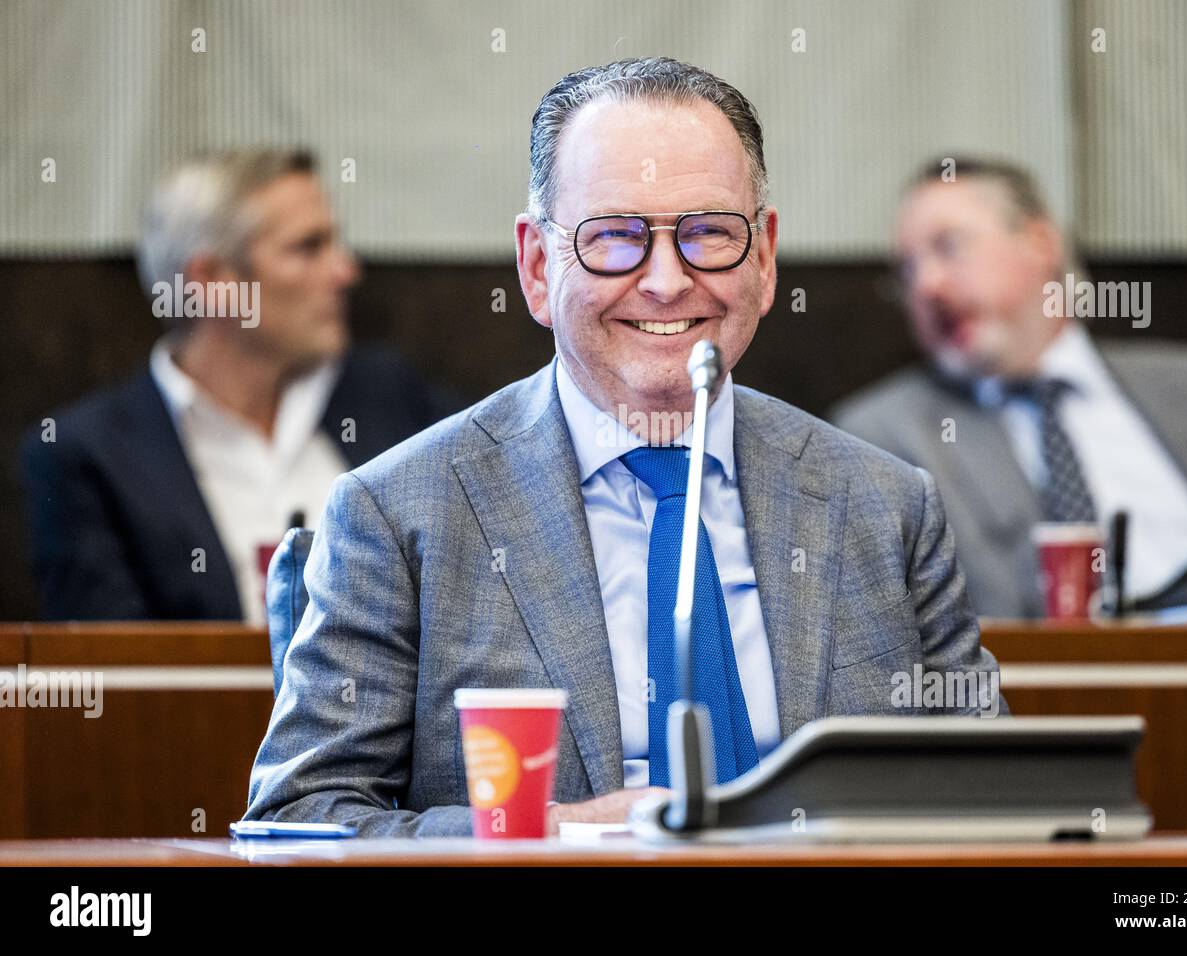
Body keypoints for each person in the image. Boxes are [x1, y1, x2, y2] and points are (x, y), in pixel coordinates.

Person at [245, 58, 1003, 837]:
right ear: (538, 268)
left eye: (710, 233)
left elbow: (997, 798)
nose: (669, 281)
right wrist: (562, 834)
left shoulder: (886, 506)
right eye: (614, 238)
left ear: (766, 257)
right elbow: (302, 822)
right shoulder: (399, 514)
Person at [832, 158, 1187, 617]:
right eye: (908, 271)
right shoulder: (880, 437)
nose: (927, 286)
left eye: (949, 247)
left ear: (1040, 242)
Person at [22, 149, 459, 622]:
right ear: (213, 281)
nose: (345, 271)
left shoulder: (394, 401)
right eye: (309, 247)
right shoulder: (87, 457)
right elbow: (119, 678)